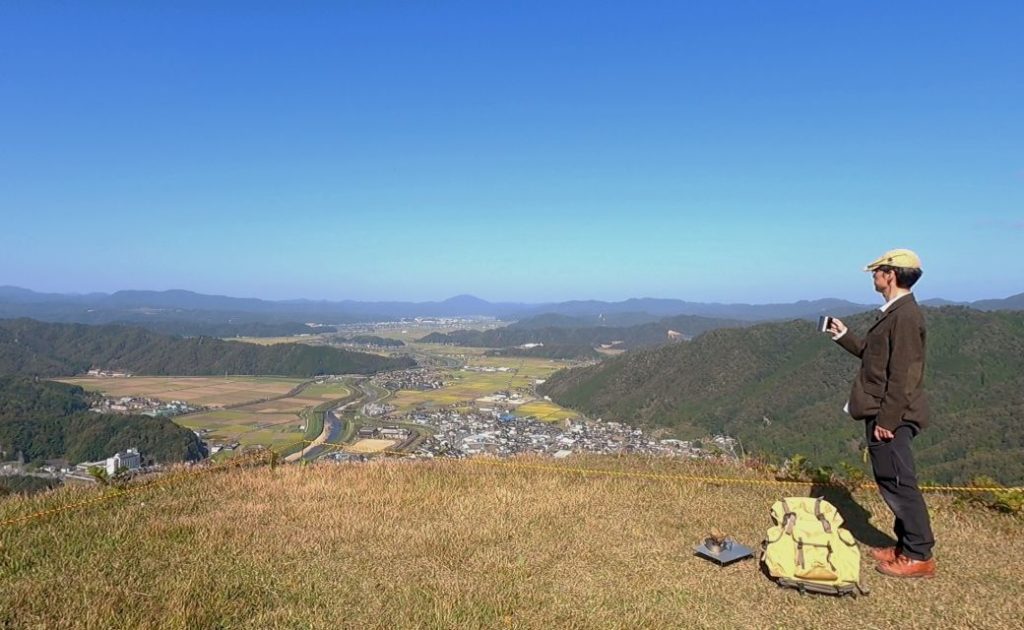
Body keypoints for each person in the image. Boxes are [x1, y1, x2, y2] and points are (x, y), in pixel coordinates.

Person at [826, 248, 936, 579]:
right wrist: (844, 336)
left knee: (900, 483)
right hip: (885, 410)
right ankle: (905, 546)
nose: (873, 276)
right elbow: (875, 358)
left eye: (877, 271)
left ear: (890, 275)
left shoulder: (905, 316)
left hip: (892, 415)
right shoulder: (895, 313)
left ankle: (918, 555)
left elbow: (904, 375)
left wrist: (888, 420)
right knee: (891, 479)